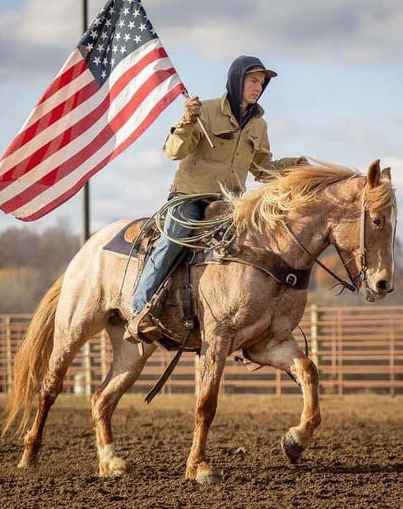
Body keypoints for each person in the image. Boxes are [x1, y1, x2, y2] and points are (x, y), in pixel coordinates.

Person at [124, 55, 306, 344]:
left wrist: (296, 166)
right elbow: (173, 151)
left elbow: (261, 169)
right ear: (237, 80)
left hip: (231, 205)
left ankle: (248, 322)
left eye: (262, 83)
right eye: (253, 81)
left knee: (261, 246)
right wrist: (186, 121)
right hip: (190, 197)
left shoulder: (259, 126)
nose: (258, 87)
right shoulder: (203, 111)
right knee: (176, 237)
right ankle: (139, 310)